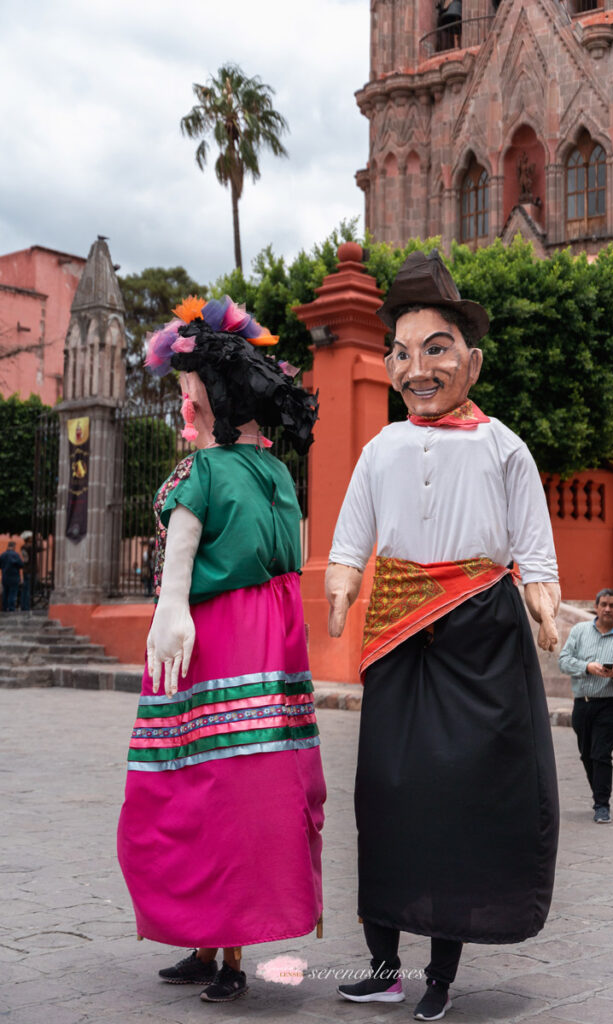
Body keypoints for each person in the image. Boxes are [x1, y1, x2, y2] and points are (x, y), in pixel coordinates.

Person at [326, 251, 561, 1022]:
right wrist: (340, 582)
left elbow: (533, 548)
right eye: (402, 352)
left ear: (472, 362)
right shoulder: (380, 448)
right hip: (397, 635)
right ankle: (385, 963)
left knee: (464, 800)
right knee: (388, 797)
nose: (417, 367)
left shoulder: (503, 447)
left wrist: (544, 602)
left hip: (482, 636)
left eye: (436, 349)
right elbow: (351, 537)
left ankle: (441, 974)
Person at [117, 295, 325, 1004]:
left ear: (211, 400)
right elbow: (290, 559)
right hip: (268, 634)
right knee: (245, 787)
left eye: (186, 394)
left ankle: (224, 950)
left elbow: (179, 564)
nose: (183, 407)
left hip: (215, 639)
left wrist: (172, 608)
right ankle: (211, 945)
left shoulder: (204, 475)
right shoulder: (275, 475)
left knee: (207, 785)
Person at [558, 587, 613, 823]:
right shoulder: (579, 632)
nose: (607, 609)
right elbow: (564, 661)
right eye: (603, 604)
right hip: (583, 704)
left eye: (612, 605)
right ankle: (598, 793)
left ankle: (602, 804)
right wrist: (587, 667)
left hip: (611, 705)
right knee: (586, 754)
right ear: (596, 607)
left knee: (601, 754)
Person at [0, 541, 24, 612]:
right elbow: (21, 565)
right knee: (12, 594)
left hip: (5, 577)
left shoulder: (2, 555)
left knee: (5, 593)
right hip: (14, 577)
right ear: (13, 546)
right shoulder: (15, 555)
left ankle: (4, 608)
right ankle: (11, 608)